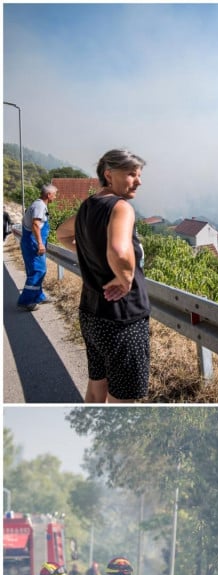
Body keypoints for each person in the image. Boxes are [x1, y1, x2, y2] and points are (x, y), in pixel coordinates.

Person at [55, 149, 150, 403]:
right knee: (122, 400)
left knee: (97, 389)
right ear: (109, 174)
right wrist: (126, 279)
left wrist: (88, 252)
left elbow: (62, 235)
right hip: (123, 318)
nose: (138, 181)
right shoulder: (120, 208)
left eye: (139, 175)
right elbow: (119, 251)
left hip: (91, 314)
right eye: (131, 174)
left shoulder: (88, 206)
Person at [17, 184, 58, 311]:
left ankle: (38, 296)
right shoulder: (40, 205)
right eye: (55, 194)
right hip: (33, 243)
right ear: (48, 195)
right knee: (38, 271)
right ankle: (26, 301)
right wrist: (40, 243)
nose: (55, 197)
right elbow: (35, 225)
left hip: (31, 242)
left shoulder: (39, 204)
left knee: (35, 270)